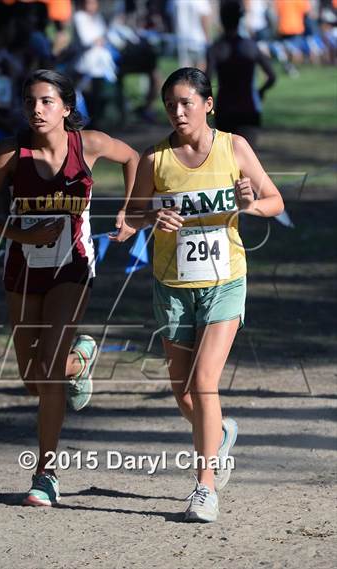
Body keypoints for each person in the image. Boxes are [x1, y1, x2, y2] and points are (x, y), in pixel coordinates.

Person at [125, 67, 284, 522]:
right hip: (172, 286)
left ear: (207, 104)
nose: (177, 112)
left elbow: (275, 201)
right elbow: (132, 215)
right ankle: (223, 431)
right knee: (183, 395)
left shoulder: (234, 147)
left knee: (204, 382)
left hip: (225, 281)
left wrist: (248, 202)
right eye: (170, 105)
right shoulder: (155, 159)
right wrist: (152, 217)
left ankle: (205, 488)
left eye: (186, 103)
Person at [0, 69, 138, 506]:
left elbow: (134, 159)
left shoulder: (89, 145)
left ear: (67, 107)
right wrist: (22, 237)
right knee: (33, 379)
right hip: (22, 270)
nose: (37, 109)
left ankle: (45, 474)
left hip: (74, 266)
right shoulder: (11, 153)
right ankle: (80, 358)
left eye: (47, 101)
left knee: (46, 369)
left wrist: (127, 211)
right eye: (30, 102)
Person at [206, 0, 276, 149]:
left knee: (225, 157)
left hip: (225, 108)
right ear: (239, 20)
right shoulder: (250, 46)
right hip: (248, 108)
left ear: (222, 20)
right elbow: (272, 76)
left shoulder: (216, 48)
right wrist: (260, 91)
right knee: (249, 158)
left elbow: (206, 81)